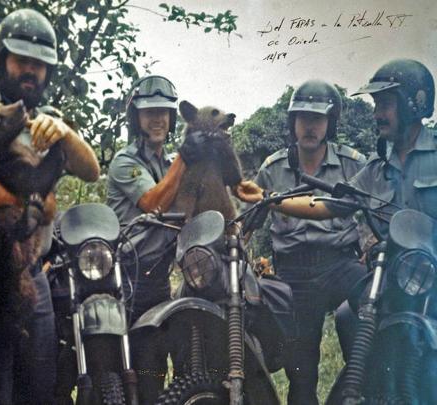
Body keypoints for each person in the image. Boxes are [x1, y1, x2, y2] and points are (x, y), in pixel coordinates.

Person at [0, 8, 100, 405]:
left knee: (39, 386)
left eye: (39, 64)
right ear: (2, 61)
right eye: (22, 61)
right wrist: (35, 203)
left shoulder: (47, 123)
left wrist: (66, 133)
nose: (31, 71)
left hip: (33, 274)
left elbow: (91, 170)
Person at [248, 79, 366, 405]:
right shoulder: (272, 169)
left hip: (340, 264)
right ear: (292, 123)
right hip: (294, 275)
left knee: (377, 306)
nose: (310, 126)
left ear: (331, 122)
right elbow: (247, 221)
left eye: (317, 119)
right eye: (303, 118)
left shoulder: (353, 164)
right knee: (301, 375)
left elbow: (377, 211)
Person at [238, 59, 436, 239]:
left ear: (412, 105)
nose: (376, 114)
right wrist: (266, 197)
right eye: (376, 105)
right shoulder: (376, 167)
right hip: (394, 272)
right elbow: (324, 206)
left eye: (385, 105)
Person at [106, 74, 212, 404]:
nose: (157, 119)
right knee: (123, 373)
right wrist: (185, 156)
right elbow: (154, 203)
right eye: (149, 112)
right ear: (136, 118)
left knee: (158, 369)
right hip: (125, 281)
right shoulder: (126, 162)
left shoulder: (168, 163)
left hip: (158, 281)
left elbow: (190, 209)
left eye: (164, 112)